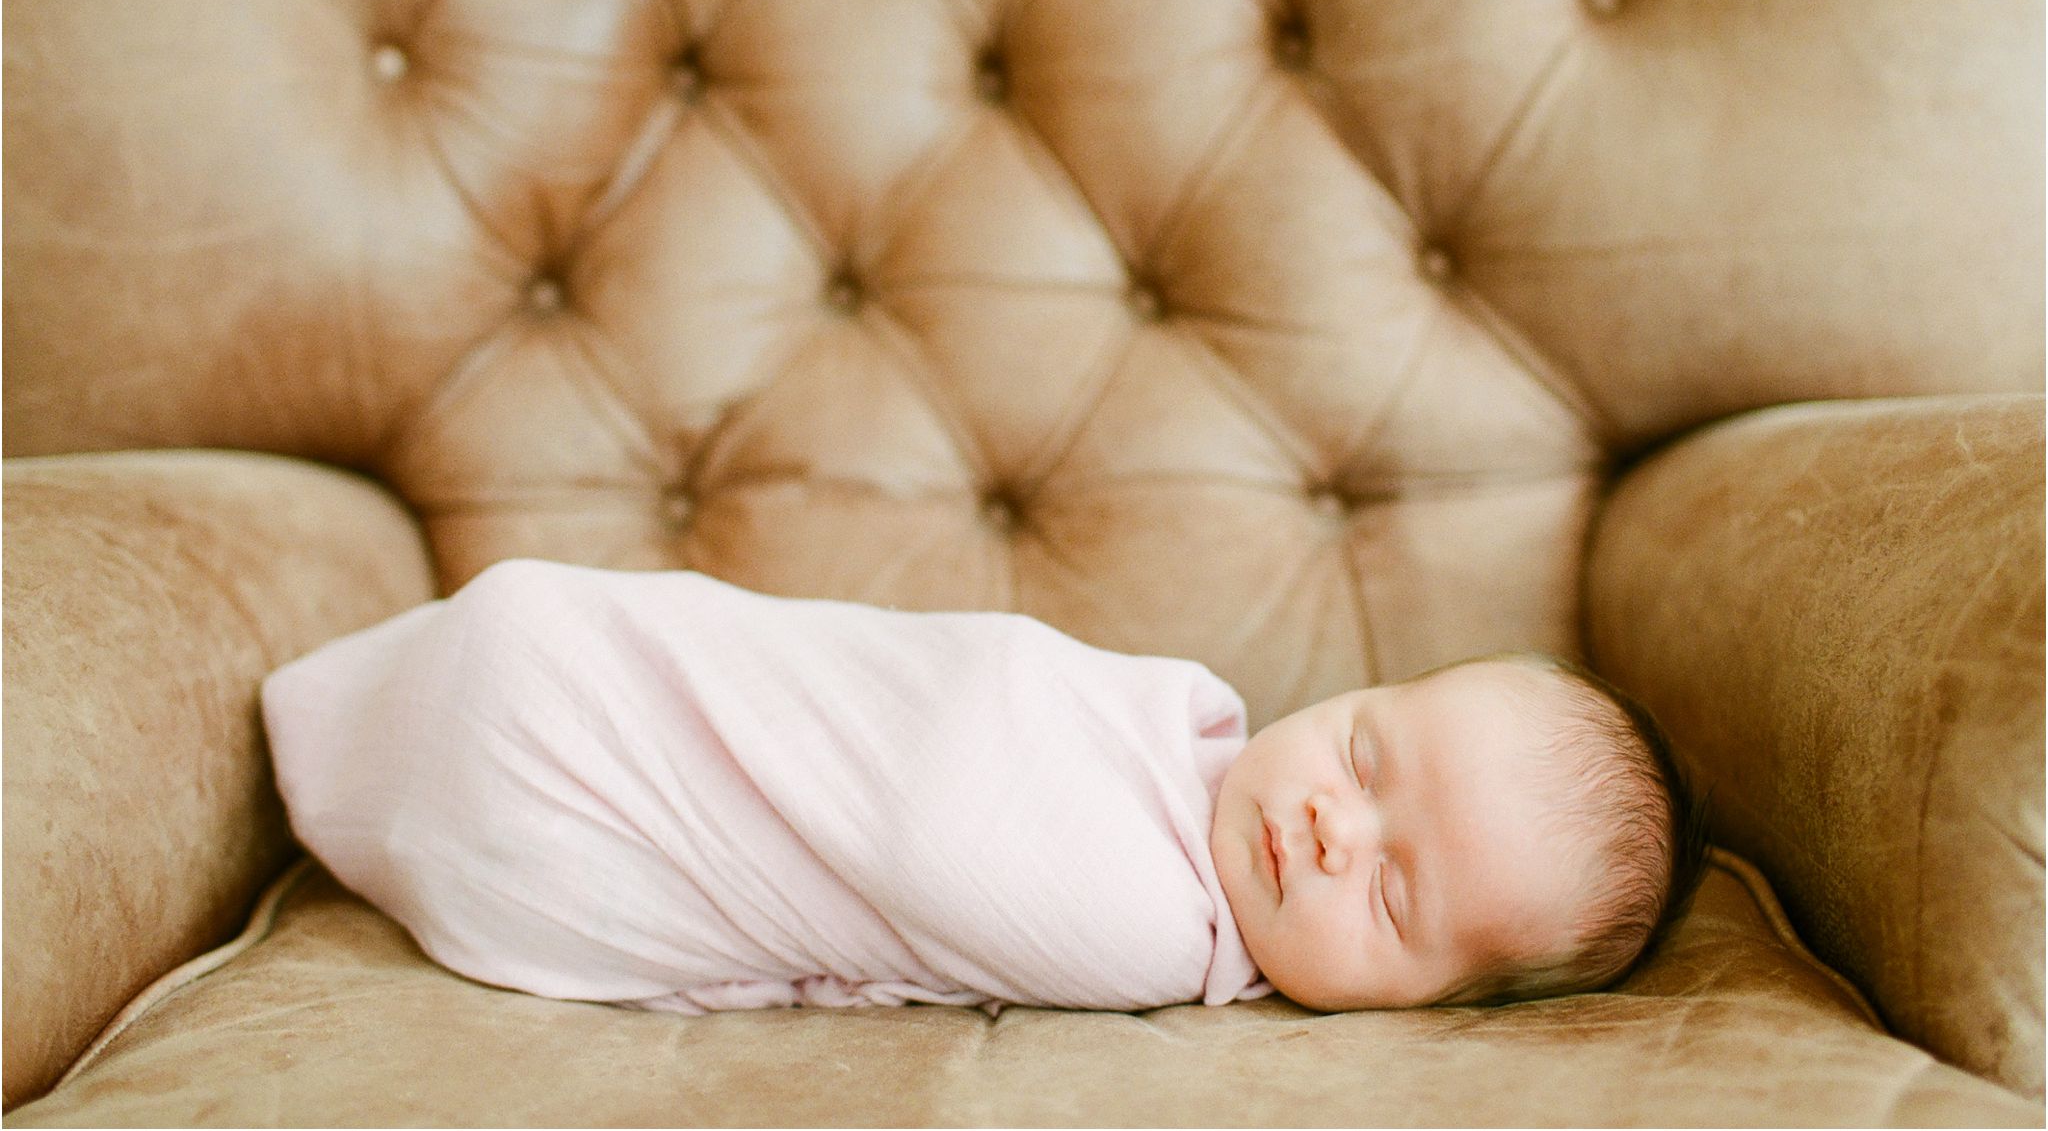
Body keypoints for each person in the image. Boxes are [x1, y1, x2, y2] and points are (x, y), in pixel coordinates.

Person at [263, 559, 1706, 1015]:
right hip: (598, 650)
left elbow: (927, 809)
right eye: (1369, 750)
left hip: (563, 802)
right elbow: (924, 676)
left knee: (527, 697)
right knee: (533, 630)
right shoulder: (1188, 728)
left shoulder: (1149, 922)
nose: (1335, 819)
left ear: (1426, 1010)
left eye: (1394, 893)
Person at [1213, 652, 1710, 1010]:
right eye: (1360, 760)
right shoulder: (1196, 710)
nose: (1334, 829)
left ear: (1434, 1003)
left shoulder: (1171, 929)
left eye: (1388, 895)